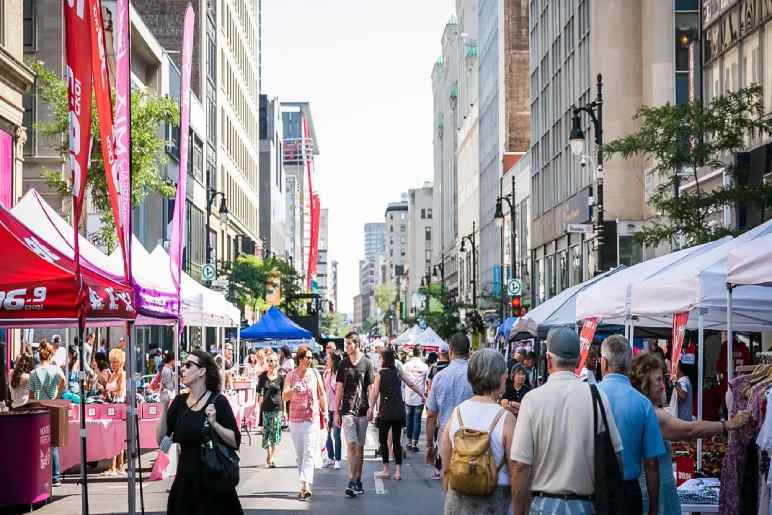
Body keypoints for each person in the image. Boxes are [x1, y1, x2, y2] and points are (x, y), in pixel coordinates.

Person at [509, 327, 624, 515]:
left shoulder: (532, 400)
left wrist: (518, 511)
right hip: (586, 505)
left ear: (548, 359)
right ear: (579, 361)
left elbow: (520, 465)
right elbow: (617, 455)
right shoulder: (596, 397)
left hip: (542, 505)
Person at [629, 353, 749, 515]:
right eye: (658, 380)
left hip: (650, 492)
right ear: (644, 383)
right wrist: (728, 424)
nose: (663, 386)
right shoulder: (653, 414)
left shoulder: (639, 408)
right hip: (656, 496)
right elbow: (690, 430)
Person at [157, 350, 242, 515]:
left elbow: (235, 441)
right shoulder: (179, 402)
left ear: (202, 371)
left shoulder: (218, 401)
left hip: (213, 483)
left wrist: (215, 424)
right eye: (183, 365)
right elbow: (161, 440)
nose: (183, 369)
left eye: (189, 365)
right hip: (185, 483)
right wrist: (164, 408)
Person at [440, 348, 515, 514]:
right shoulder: (506, 418)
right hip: (495, 501)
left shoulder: (457, 413)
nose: (507, 377)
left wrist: (450, 499)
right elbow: (516, 470)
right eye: (504, 373)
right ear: (497, 376)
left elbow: (446, 468)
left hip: (457, 497)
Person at [597, 335, 664, 515]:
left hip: (594, 493)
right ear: (628, 365)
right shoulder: (643, 404)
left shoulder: (588, 396)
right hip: (628, 495)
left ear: (603, 363)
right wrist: (653, 508)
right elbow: (651, 464)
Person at [368, 347, 421, 481]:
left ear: (384, 359)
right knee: (397, 441)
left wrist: (371, 408)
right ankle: (398, 472)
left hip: (385, 411)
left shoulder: (380, 373)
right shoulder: (398, 372)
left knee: (383, 440)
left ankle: (386, 469)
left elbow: (374, 393)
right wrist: (422, 395)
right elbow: (411, 384)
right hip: (398, 410)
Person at [426, 333, 474, 481]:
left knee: (449, 482)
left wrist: (429, 445)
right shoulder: (475, 376)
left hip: (446, 438)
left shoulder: (439, 377)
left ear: (451, 350)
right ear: (469, 351)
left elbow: (431, 415)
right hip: (473, 438)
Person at [334, 331, 375, 497]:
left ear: (357, 344)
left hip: (363, 409)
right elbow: (338, 389)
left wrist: (372, 407)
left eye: (349, 343)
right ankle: (351, 480)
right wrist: (336, 411)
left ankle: (358, 479)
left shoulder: (367, 363)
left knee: (360, 446)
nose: (346, 346)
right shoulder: (343, 364)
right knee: (351, 444)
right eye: (346, 344)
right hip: (347, 409)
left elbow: (371, 388)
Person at [282, 345, 326, 500]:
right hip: (295, 419)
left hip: (311, 418)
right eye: (307, 357)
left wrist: (325, 413)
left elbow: (322, 394)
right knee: (300, 453)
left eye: (310, 357)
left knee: (308, 451)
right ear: (300, 359)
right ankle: (303, 485)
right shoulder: (290, 375)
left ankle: (306, 484)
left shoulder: (315, 373)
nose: (310, 360)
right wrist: (293, 389)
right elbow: (284, 397)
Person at [29, 341, 66, 486]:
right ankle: (56, 477)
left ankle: (42, 476)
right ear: (51, 355)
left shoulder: (33, 373)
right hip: (53, 406)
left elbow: (31, 394)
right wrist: (57, 394)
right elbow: (63, 381)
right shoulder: (56, 370)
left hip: (39, 409)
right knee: (53, 444)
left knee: (39, 443)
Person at [257, 352, 284, 468]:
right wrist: (258, 401)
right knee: (266, 433)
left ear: (276, 362)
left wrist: (285, 411)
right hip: (266, 408)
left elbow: (283, 395)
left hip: (277, 409)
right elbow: (258, 391)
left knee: (275, 434)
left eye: (272, 361)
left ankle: (271, 457)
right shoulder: (263, 376)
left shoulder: (281, 377)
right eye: (268, 361)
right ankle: (268, 454)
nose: (270, 363)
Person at [104, 349, 127, 476]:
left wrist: (110, 390)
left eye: (115, 362)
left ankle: (117, 467)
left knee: (117, 437)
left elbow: (120, 390)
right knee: (115, 437)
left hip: (119, 407)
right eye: (111, 362)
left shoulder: (122, 374)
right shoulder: (112, 374)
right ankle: (117, 466)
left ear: (120, 362)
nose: (112, 364)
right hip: (112, 407)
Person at [403, 345, 430, 452]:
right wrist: (426, 395)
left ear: (413, 352)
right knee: (417, 420)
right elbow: (427, 383)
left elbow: (403, 382)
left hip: (408, 397)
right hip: (420, 397)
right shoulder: (424, 367)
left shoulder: (406, 366)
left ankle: (409, 442)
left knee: (409, 419)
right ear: (421, 353)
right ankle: (414, 444)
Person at [322, 351, 342, 470]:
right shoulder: (326, 373)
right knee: (327, 433)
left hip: (337, 409)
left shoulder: (339, 374)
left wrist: (338, 411)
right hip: (327, 408)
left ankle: (338, 459)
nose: (326, 361)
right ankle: (330, 457)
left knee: (336, 434)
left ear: (333, 361)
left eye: (328, 359)